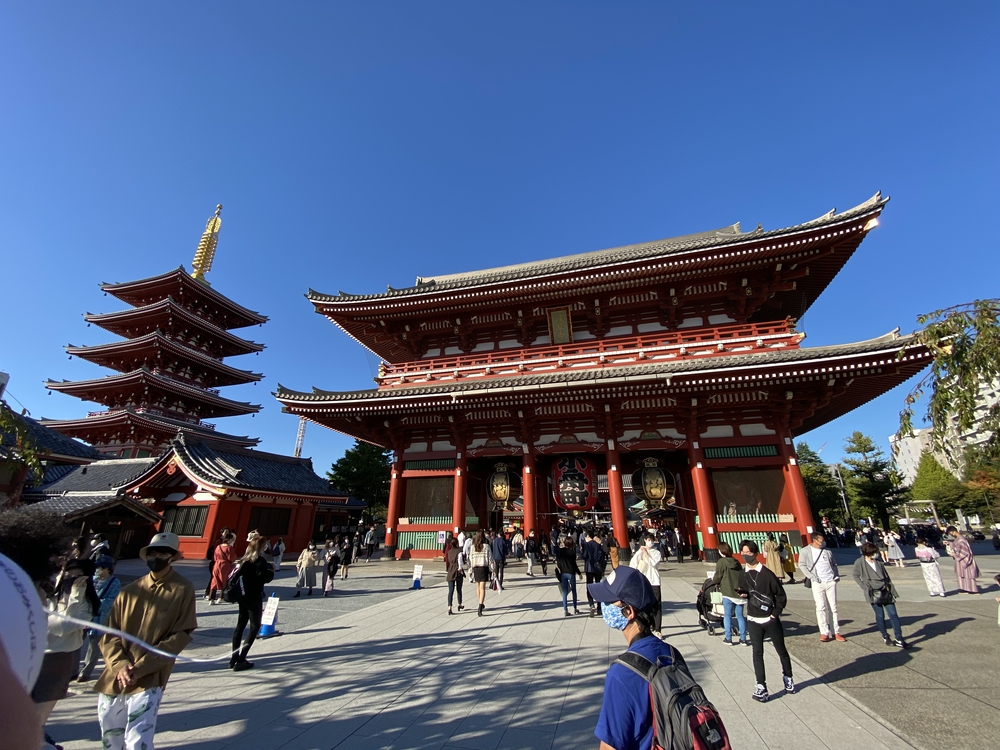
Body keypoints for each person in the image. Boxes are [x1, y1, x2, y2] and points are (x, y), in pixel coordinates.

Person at [95, 532, 197, 750]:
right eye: (153, 553)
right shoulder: (130, 591)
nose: (156, 557)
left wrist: (142, 666)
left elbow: (182, 634)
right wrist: (120, 664)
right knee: (109, 731)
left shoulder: (183, 589)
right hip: (116, 674)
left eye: (162, 553)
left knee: (139, 736)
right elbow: (109, 633)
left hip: (150, 674)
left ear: (172, 557)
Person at [586, 565, 670, 750]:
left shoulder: (623, 673)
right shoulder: (672, 654)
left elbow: (610, 745)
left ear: (629, 612)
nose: (604, 606)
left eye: (609, 601)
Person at [34, 557, 100, 746]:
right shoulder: (50, 596)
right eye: (70, 574)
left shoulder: (86, 604)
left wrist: (76, 595)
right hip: (38, 654)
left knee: (39, 714)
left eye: (78, 575)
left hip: (59, 659)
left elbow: (62, 627)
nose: (73, 578)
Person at [737, 539, 793, 703]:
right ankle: (761, 685)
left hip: (769, 618)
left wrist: (775, 614)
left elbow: (781, 596)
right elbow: (745, 591)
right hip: (753, 618)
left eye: (748, 552)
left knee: (781, 650)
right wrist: (743, 594)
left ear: (755, 553)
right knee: (757, 653)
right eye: (743, 552)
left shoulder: (767, 574)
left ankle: (788, 676)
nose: (745, 555)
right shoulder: (743, 574)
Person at [229, 535, 274, 671]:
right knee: (255, 626)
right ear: (260, 547)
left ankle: (233, 658)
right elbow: (263, 579)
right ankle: (242, 659)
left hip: (242, 596)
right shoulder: (259, 562)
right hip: (253, 597)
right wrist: (270, 571)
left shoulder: (243, 561)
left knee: (240, 625)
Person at [852, 541, 907, 648]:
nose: (875, 554)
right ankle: (885, 636)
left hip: (885, 589)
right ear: (867, 553)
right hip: (873, 591)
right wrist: (864, 586)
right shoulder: (859, 562)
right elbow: (855, 575)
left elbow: (886, 576)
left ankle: (899, 638)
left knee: (893, 614)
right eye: (873, 552)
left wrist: (892, 589)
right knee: (880, 615)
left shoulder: (878, 562)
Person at [78, 555, 122, 682]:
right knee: (76, 642)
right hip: (85, 615)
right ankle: (73, 670)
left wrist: (95, 603)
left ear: (108, 569)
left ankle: (86, 671)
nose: (98, 570)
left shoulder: (114, 582)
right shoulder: (91, 579)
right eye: (97, 567)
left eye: (101, 568)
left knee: (94, 645)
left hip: (100, 617)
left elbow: (111, 600)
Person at [797, 532, 846, 642]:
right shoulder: (805, 551)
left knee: (833, 607)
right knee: (821, 607)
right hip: (817, 582)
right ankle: (824, 632)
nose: (823, 542)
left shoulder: (827, 551)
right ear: (814, 540)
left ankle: (836, 632)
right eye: (820, 540)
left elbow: (833, 564)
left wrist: (836, 576)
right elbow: (802, 565)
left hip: (830, 581)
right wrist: (811, 576)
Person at [711, 542, 747, 646]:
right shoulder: (736, 561)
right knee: (740, 616)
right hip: (738, 592)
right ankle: (743, 639)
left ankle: (728, 638)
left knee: (727, 615)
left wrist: (713, 580)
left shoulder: (721, 562)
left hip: (727, 591)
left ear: (721, 551)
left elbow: (718, 576)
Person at [628, 533, 662, 635]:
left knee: (656, 605)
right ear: (644, 541)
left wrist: (647, 554)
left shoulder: (656, 552)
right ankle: (645, 626)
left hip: (654, 581)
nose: (650, 542)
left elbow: (654, 564)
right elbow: (632, 564)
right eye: (648, 540)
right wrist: (640, 552)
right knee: (643, 605)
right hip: (643, 581)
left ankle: (657, 629)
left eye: (651, 540)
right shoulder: (640, 552)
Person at [944, 526, 979, 594]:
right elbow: (955, 546)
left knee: (968, 574)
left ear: (953, 532)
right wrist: (949, 543)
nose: (950, 534)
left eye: (950, 533)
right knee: (961, 574)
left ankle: (973, 589)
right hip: (960, 560)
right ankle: (965, 588)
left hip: (964, 559)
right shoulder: (958, 539)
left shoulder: (961, 540)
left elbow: (964, 552)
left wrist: (954, 554)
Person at [582, 531, 607, 617]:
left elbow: (584, 556)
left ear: (588, 536)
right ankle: (599, 607)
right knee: (598, 586)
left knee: (589, 586)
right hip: (597, 569)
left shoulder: (586, 545)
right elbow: (602, 557)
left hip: (589, 568)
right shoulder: (598, 545)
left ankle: (591, 605)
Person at [556, 536, 582, 616]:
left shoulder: (560, 551)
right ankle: (575, 608)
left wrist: (561, 569)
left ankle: (565, 609)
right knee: (574, 590)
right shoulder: (572, 552)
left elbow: (559, 563)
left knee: (564, 592)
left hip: (563, 573)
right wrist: (579, 573)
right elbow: (574, 564)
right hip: (571, 572)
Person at [209, 533, 238, 604]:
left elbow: (215, 557)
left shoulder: (218, 547)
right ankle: (220, 597)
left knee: (215, 580)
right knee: (224, 581)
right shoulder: (229, 548)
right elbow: (231, 558)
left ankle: (211, 598)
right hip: (225, 565)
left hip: (217, 564)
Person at [468, 532, 491, 616]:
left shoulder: (472, 547)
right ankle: (480, 606)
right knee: (482, 588)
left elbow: (470, 559)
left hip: (475, 568)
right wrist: (492, 568)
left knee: (478, 587)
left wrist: (470, 570)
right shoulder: (486, 546)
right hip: (483, 567)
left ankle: (480, 602)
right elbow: (490, 558)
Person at [444, 537, 465, 615]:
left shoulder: (449, 552)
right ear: (457, 543)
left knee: (450, 590)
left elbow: (448, 561)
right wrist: (460, 568)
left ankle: (449, 607)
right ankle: (459, 604)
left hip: (450, 570)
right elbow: (460, 561)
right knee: (459, 589)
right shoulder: (459, 551)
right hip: (457, 571)